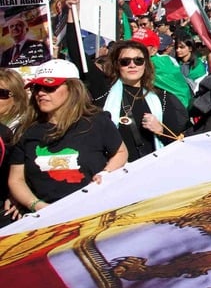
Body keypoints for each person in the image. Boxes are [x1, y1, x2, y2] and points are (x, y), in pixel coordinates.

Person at [7, 60, 127, 213]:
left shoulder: (97, 122)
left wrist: (106, 173)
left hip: (95, 211)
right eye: (37, 87)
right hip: (45, 220)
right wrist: (37, 206)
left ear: (73, 89)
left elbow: (121, 152)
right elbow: (16, 179)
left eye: (50, 87)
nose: (41, 93)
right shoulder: (26, 131)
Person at [97, 40, 188, 162]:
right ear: (117, 65)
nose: (132, 65)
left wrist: (160, 130)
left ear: (146, 64)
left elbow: (179, 142)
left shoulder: (163, 97)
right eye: (125, 61)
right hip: (117, 173)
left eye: (138, 60)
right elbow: (80, 58)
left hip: (153, 171)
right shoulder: (105, 95)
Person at [0, 69, 35, 224]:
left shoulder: (25, 127)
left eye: (1, 93)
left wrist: (16, 194)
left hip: (12, 204)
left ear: (17, 97)